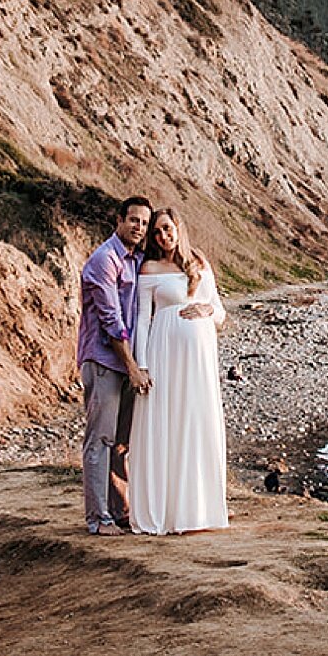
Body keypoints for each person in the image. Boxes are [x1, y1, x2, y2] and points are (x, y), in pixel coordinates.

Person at [127, 207, 229, 534]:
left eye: (167, 229)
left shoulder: (200, 262)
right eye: (156, 232)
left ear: (178, 228)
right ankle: (165, 511)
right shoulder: (150, 268)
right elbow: (143, 320)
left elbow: (221, 313)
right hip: (164, 354)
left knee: (196, 421)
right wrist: (140, 365)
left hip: (199, 358)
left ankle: (197, 510)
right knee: (165, 423)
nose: (163, 236)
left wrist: (207, 308)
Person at [78, 195, 151, 535]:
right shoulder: (103, 260)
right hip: (105, 361)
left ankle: (119, 510)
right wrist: (133, 367)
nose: (139, 227)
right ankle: (98, 519)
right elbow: (112, 322)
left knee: (121, 443)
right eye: (134, 220)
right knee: (101, 440)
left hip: (126, 364)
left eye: (144, 223)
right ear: (119, 220)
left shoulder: (135, 260)